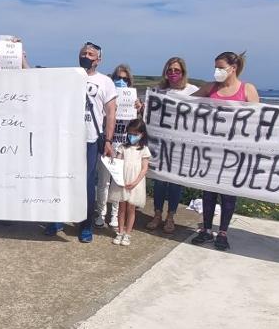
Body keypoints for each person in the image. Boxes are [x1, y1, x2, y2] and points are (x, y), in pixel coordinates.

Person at [43, 41, 116, 244]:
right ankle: (56, 219)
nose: (86, 56)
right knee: (60, 179)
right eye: (83, 53)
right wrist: (20, 58)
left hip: (89, 139)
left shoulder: (105, 82)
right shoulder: (68, 76)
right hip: (65, 138)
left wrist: (108, 140)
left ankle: (85, 224)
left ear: (98, 60)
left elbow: (111, 112)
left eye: (90, 54)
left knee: (86, 184)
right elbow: (40, 83)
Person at [193, 51, 259, 251]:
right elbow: (182, 104)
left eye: (221, 67)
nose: (217, 71)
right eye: (215, 67)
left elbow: (258, 119)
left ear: (233, 68)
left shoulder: (247, 89)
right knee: (208, 193)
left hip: (234, 153)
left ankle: (223, 232)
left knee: (228, 195)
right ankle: (206, 229)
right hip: (210, 151)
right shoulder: (210, 88)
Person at [146, 57, 199, 233]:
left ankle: (171, 217)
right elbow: (150, 113)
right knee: (159, 182)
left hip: (180, 147)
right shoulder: (159, 91)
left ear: (183, 72)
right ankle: (157, 215)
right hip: (160, 145)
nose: (173, 73)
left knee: (176, 183)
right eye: (170, 70)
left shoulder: (193, 91)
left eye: (177, 70)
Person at [95, 63, 140, 230]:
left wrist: (139, 109)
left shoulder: (133, 100)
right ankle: (100, 213)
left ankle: (114, 215)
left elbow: (138, 127)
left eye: (125, 79)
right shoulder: (107, 98)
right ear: (112, 79)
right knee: (103, 183)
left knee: (119, 184)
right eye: (118, 78)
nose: (122, 81)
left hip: (124, 148)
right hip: (107, 144)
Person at [111, 118, 149, 247]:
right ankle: (120, 232)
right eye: (130, 133)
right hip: (122, 181)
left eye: (135, 134)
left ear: (142, 134)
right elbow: (117, 163)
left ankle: (127, 233)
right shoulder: (122, 147)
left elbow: (144, 168)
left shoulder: (144, 150)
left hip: (135, 183)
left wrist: (135, 182)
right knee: (121, 207)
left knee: (131, 208)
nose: (132, 136)